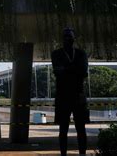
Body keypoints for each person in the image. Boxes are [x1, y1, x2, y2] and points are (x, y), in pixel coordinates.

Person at [51, 27, 89, 156]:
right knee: (63, 129)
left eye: (70, 37)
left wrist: (66, 69)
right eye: (66, 37)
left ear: (74, 39)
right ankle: (63, 154)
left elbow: (83, 72)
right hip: (63, 97)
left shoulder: (81, 53)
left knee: (81, 129)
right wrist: (75, 69)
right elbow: (58, 72)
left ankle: (82, 153)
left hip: (78, 96)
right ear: (63, 39)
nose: (68, 39)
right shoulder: (56, 54)